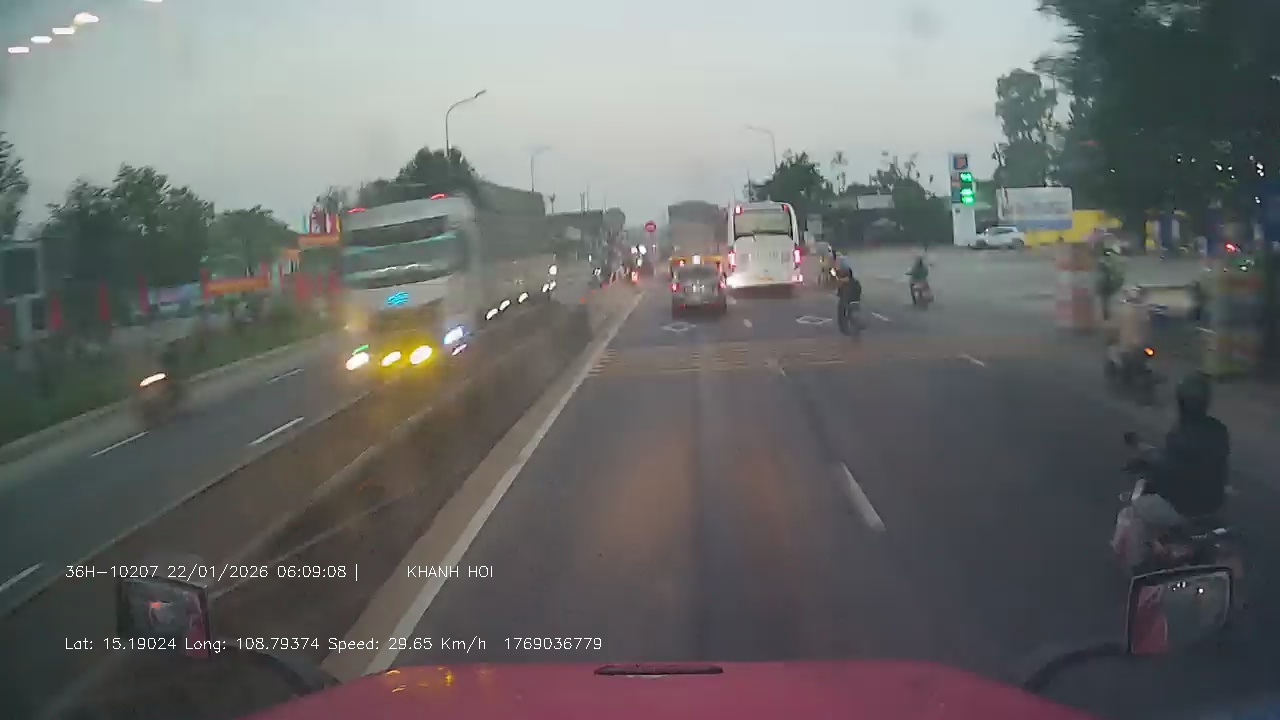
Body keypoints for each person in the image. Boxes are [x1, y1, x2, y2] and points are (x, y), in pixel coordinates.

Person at [1123, 373, 1230, 569]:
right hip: (1214, 504)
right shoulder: (1219, 430)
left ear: (1180, 402)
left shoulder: (1180, 433)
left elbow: (1166, 463)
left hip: (1183, 507)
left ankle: (1135, 565)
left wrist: (1144, 458)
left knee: (1137, 507)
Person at [834, 256, 862, 328]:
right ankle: (852, 322)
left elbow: (846, 279)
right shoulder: (841, 271)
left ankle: (853, 322)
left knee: (848, 309)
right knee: (846, 310)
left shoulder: (846, 272)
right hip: (850, 292)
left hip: (850, 293)